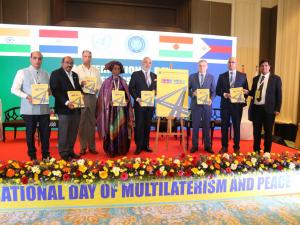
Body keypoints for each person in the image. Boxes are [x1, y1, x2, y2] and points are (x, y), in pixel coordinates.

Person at [11, 51, 51, 160]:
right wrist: (27, 96)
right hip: (29, 109)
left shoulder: (46, 73)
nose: (37, 60)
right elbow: (14, 89)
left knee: (45, 134)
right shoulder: (22, 72)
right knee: (30, 134)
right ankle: (32, 155)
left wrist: (49, 92)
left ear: (42, 60)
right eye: (35, 58)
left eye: (39, 58)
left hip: (44, 109)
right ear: (30, 59)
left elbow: (49, 90)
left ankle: (45, 154)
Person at [96, 61, 133, 157]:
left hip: (121, 110)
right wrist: (108, 102)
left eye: (118, 69)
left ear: (120, 70)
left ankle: (121, 149)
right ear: (111, 70)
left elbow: (127, 96)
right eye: (114, 69)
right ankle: (111, 149)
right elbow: (102, 97)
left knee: (122, 129)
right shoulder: (106, 82)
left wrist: (125, 101)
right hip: (110, 111)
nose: (116, 70)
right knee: (112, 129)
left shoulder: (123, 82)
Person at [50, 56, 82, 161]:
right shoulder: (56, 74)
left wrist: (82, 96)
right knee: (64, 131)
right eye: (67, 62)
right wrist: (67, 102)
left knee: (73, 131)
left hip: (76, 108)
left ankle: (70, 151)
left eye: (71, 63)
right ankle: (64, 154)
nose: (69, 65)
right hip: (64, 108)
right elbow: (55, 91)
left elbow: (78, 90)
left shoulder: (75, 75)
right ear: (62, 63)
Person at [216, 57, 249, 154]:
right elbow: (218, 91)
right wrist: (225, 94)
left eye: (233, 62)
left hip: (237, 106)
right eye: (229, 62)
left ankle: (236, 147)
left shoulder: (243, 76)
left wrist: (244, 94)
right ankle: (224, 147)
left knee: (237, 126)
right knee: (224, 127)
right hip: (225, 105)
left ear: (236, 64)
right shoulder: (222, 76)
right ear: (227, 64)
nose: (231, 64)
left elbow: (246, 91)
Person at [249, 60, 282, 153]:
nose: (264, 67)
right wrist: (247, 92)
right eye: (262, 66)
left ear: (269, 67)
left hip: (269, 109)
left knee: (268, 131)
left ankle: (267, 151)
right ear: (260, 68)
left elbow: (279, 95)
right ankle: (256, 150)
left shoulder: (276, 79)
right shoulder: (256, 79)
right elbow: (253, 92)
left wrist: (277, 108)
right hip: (256, 109)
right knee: (256, 131)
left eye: (266, 65)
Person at [73, 50, 102, 155]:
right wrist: (81, 83)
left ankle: (92, 147)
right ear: (82, 57)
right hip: (82, 96)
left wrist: (97, 89)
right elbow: (74, 83)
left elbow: (99, 83)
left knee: (91, 122)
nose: (87, 58)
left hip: (93, 97)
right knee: (81, 123)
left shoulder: (95, 70)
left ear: (91, 57)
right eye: (85, 56)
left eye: (89, 56)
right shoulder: (76, 69)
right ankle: (83, 147)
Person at [129, 57, 157, 155]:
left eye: (149, 63)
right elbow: (131, 88)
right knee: (139, 126)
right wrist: (137, 99)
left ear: (151, 64)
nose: (147, 64)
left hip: (150, 106)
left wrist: (156, 92)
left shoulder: (154, 76)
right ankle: (139, 146)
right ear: (142, 63)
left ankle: (146, 145)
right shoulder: (136, 74)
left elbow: (157, 90)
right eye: (145, 62)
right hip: (139, 105)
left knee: (147, 126)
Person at [188, 59, 215, 154]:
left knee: (206, 126)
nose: (202, 67)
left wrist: (211, 99)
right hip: (196, 105)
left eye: (204, 66)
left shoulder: (211, 77)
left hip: (207, 106)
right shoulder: (192, 77)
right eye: (200, 65)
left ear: (207, 67)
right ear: (198, 66)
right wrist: (193, 94)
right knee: (195, 126)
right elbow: (187, 90)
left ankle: (207, 146)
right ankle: (194, 146)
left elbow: (213, 91)